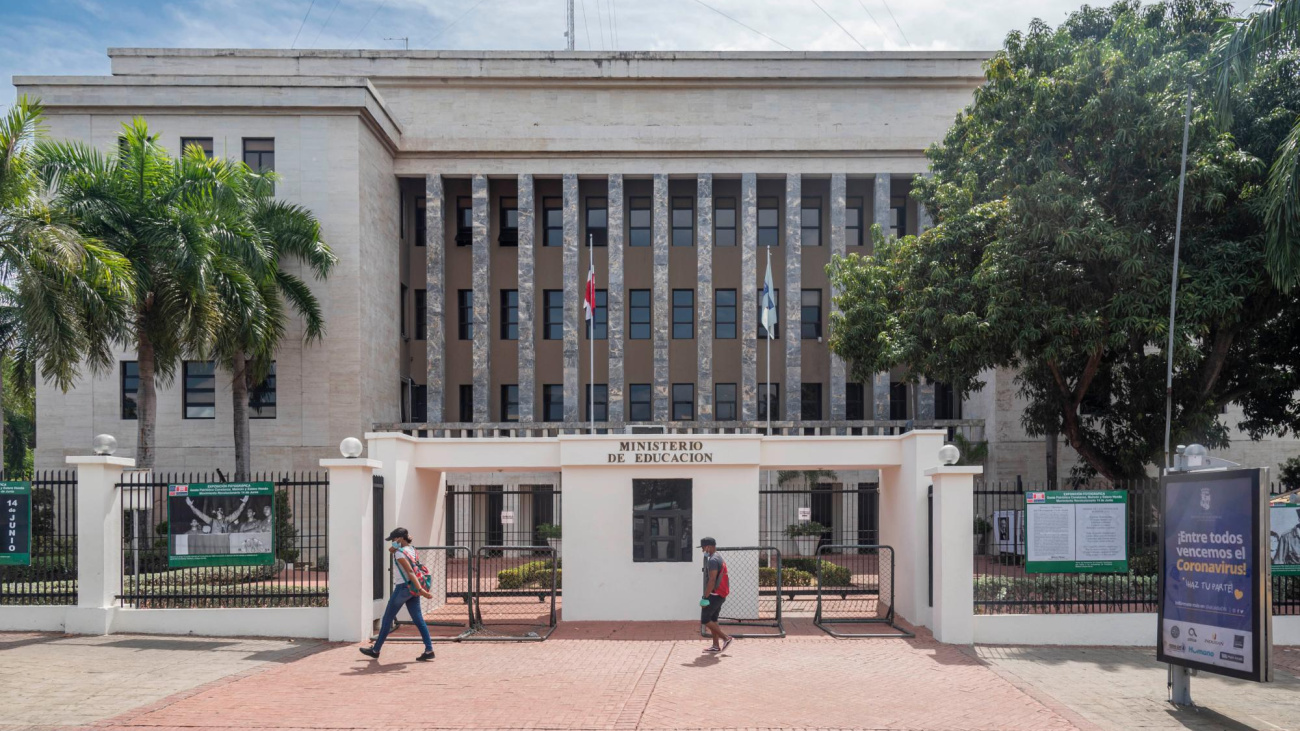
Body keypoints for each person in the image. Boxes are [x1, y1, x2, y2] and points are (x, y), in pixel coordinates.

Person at [360, 527, 435, 662]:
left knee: (387, 618)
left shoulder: (400, 554)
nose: (392, 542)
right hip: (411, 589)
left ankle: (376, 650)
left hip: (403, 588)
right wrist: (394, 549)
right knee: (418, 620)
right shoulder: (412, 549)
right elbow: (394, 552)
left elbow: (411, 572)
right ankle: (429, 650)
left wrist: (422, 591)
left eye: (394, 539)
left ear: (399, 538)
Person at [699, 537, 732, 653]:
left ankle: (726, 638)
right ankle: (715, 646)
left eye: (703, 548)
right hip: (721, 594)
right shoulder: (718, 557)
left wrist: (705, 596)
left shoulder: (713, 560)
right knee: (713, 619)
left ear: (708, 546)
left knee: (705, 619)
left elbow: (712, 580)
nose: (703, 550)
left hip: (715, 594)